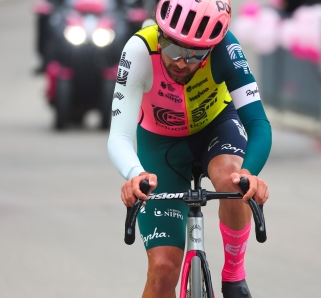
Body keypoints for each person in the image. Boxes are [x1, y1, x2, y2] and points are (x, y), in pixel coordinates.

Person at [107, 0, 272, 297]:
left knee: (234, 181)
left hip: (215, 127)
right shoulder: (138, 50)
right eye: (173, 50)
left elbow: (259, 123)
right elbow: (119, 136)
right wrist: (134, 174)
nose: (182, 62)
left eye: (196, 54)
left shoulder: (226, 48)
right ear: (161, 35)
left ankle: (234, 274)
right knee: (162, 270)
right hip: (160, 145)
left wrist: (251, 173)